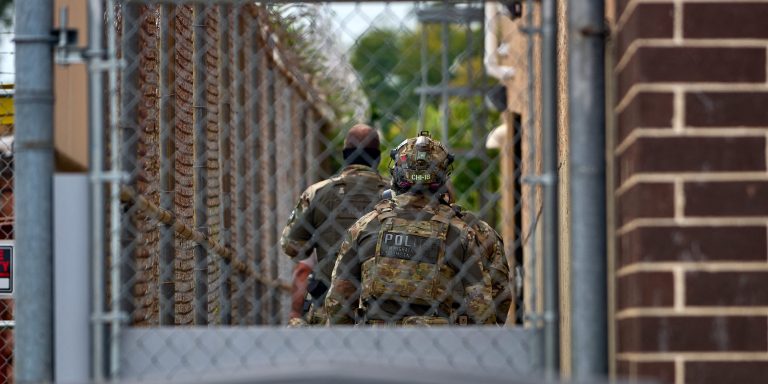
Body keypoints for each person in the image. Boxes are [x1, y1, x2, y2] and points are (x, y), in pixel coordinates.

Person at [325, 131, 493, 325]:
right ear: (442, 175)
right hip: (437, 345)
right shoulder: (462, 233)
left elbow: (338, 300)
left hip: (378, 344)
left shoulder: (365, 226)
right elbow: (481, 307)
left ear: (397, 171)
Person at [281, 124, 389, 325]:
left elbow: (291, 246)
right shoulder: (393, 195)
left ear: (345, 155)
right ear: (378, 158)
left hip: (329, 304)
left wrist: (318, 238)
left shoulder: (318, 193)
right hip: (380, 308)